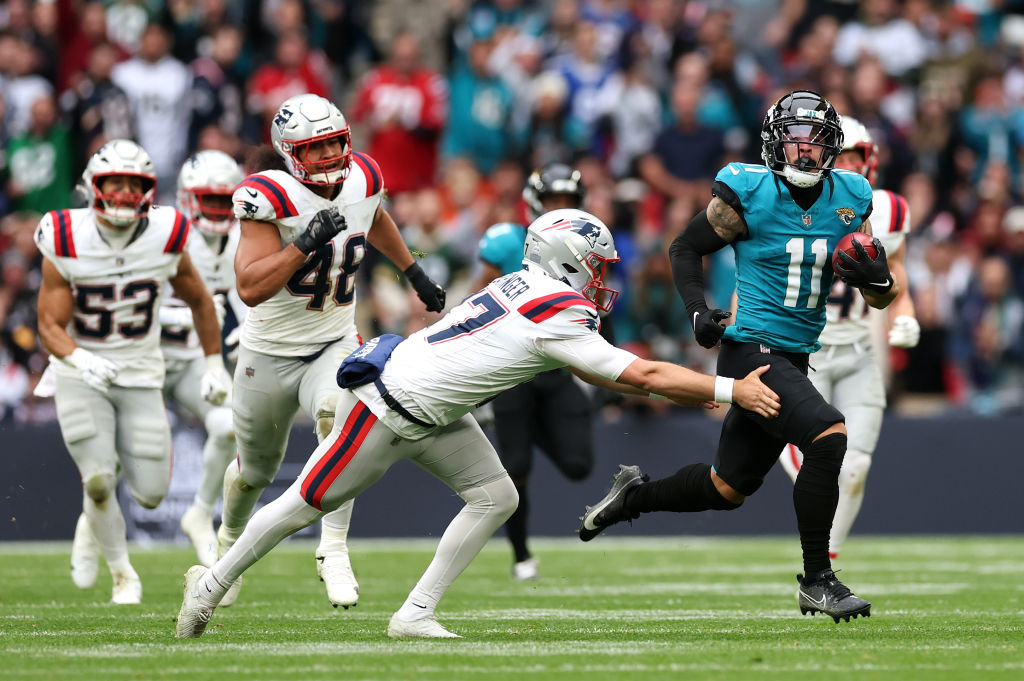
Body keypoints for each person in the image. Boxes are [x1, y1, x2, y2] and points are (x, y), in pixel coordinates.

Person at [176, 207, 781, 639]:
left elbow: (603, 373)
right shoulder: (558, 308)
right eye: (596, 265)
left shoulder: (529, 287)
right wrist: (729, 389)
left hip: (432, 407)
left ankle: (414, 613)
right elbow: (640, 377)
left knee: (495, 496)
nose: (603, 278)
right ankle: (209, 585)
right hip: (387, 405)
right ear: (568, 262)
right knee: (302, 505)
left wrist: (696, 388)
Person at [578, 91, 900, 623]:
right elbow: (684, 246)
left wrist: (880, 280)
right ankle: (819, 579)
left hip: (793, 357)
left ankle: (632, 497)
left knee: (726, 488)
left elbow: (877, 295)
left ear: (832, 150)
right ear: (776, 144)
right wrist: (698, 310)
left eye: (816, 143)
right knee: (828, 434)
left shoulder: (851, 196)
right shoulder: (748, 191)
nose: (804, 154)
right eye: (795, 142)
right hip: (750, 350)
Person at [219, 93, 446, 609]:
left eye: (334, 144)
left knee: (338, 419)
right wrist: (301, 244)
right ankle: (228, 546)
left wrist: (413, 271)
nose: (328, 156)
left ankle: (333, 546)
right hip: (269, 351)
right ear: (290, 152)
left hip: (333, 338)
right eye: (315, 148)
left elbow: (374, 215)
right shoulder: (266, 195)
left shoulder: (363, 176)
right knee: (254, 471)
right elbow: (250, 287)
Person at [34, 139, 229, 604]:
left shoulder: (165, 232)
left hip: (142, 371)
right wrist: (79, 358)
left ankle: (90, 523)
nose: (122, 193)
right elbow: (48, 324)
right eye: (113, 183)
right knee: (99, 479)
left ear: (148, 190)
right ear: (92, 187)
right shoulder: (64, 234)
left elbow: (201, 300)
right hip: (81, 370)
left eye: (132, 184)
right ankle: (123, 573)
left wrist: (213, 362)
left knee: (151, 494)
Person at [778, 116, 919, 560]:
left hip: (859, 351)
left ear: (869, 160)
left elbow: (899, 275)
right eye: (841, 157)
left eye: (855, 157)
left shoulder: (889, 211)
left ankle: (829, 561)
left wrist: (906, 312)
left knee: (855, 467)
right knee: (822, 459)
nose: (849, 166)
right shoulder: (794, 205)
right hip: (807, 352)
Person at [473, 163, 594, 581]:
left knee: (579, 464)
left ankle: (533, 429)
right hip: (513, 372)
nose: (561, 210)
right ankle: (522, 556)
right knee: (516, 469)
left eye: (568, 202)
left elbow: (598, 308)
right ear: (534, 204)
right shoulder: (508, 241)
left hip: (558, 370)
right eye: (553, 202)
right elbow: (480, 299)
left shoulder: (585, 247)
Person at [160, 150, 247, 567]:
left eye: (222, 201)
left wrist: (249, 329)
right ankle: (97, 536)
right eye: (207, 200)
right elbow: (134, 303)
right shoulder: (164, 232)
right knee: (121, 462)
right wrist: (188, 311)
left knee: (229, 427)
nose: (215, 210)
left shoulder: (240, 240)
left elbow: (246, 300)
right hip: (146, 354)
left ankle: (199, 512)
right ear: (187, 198)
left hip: (197, 359)